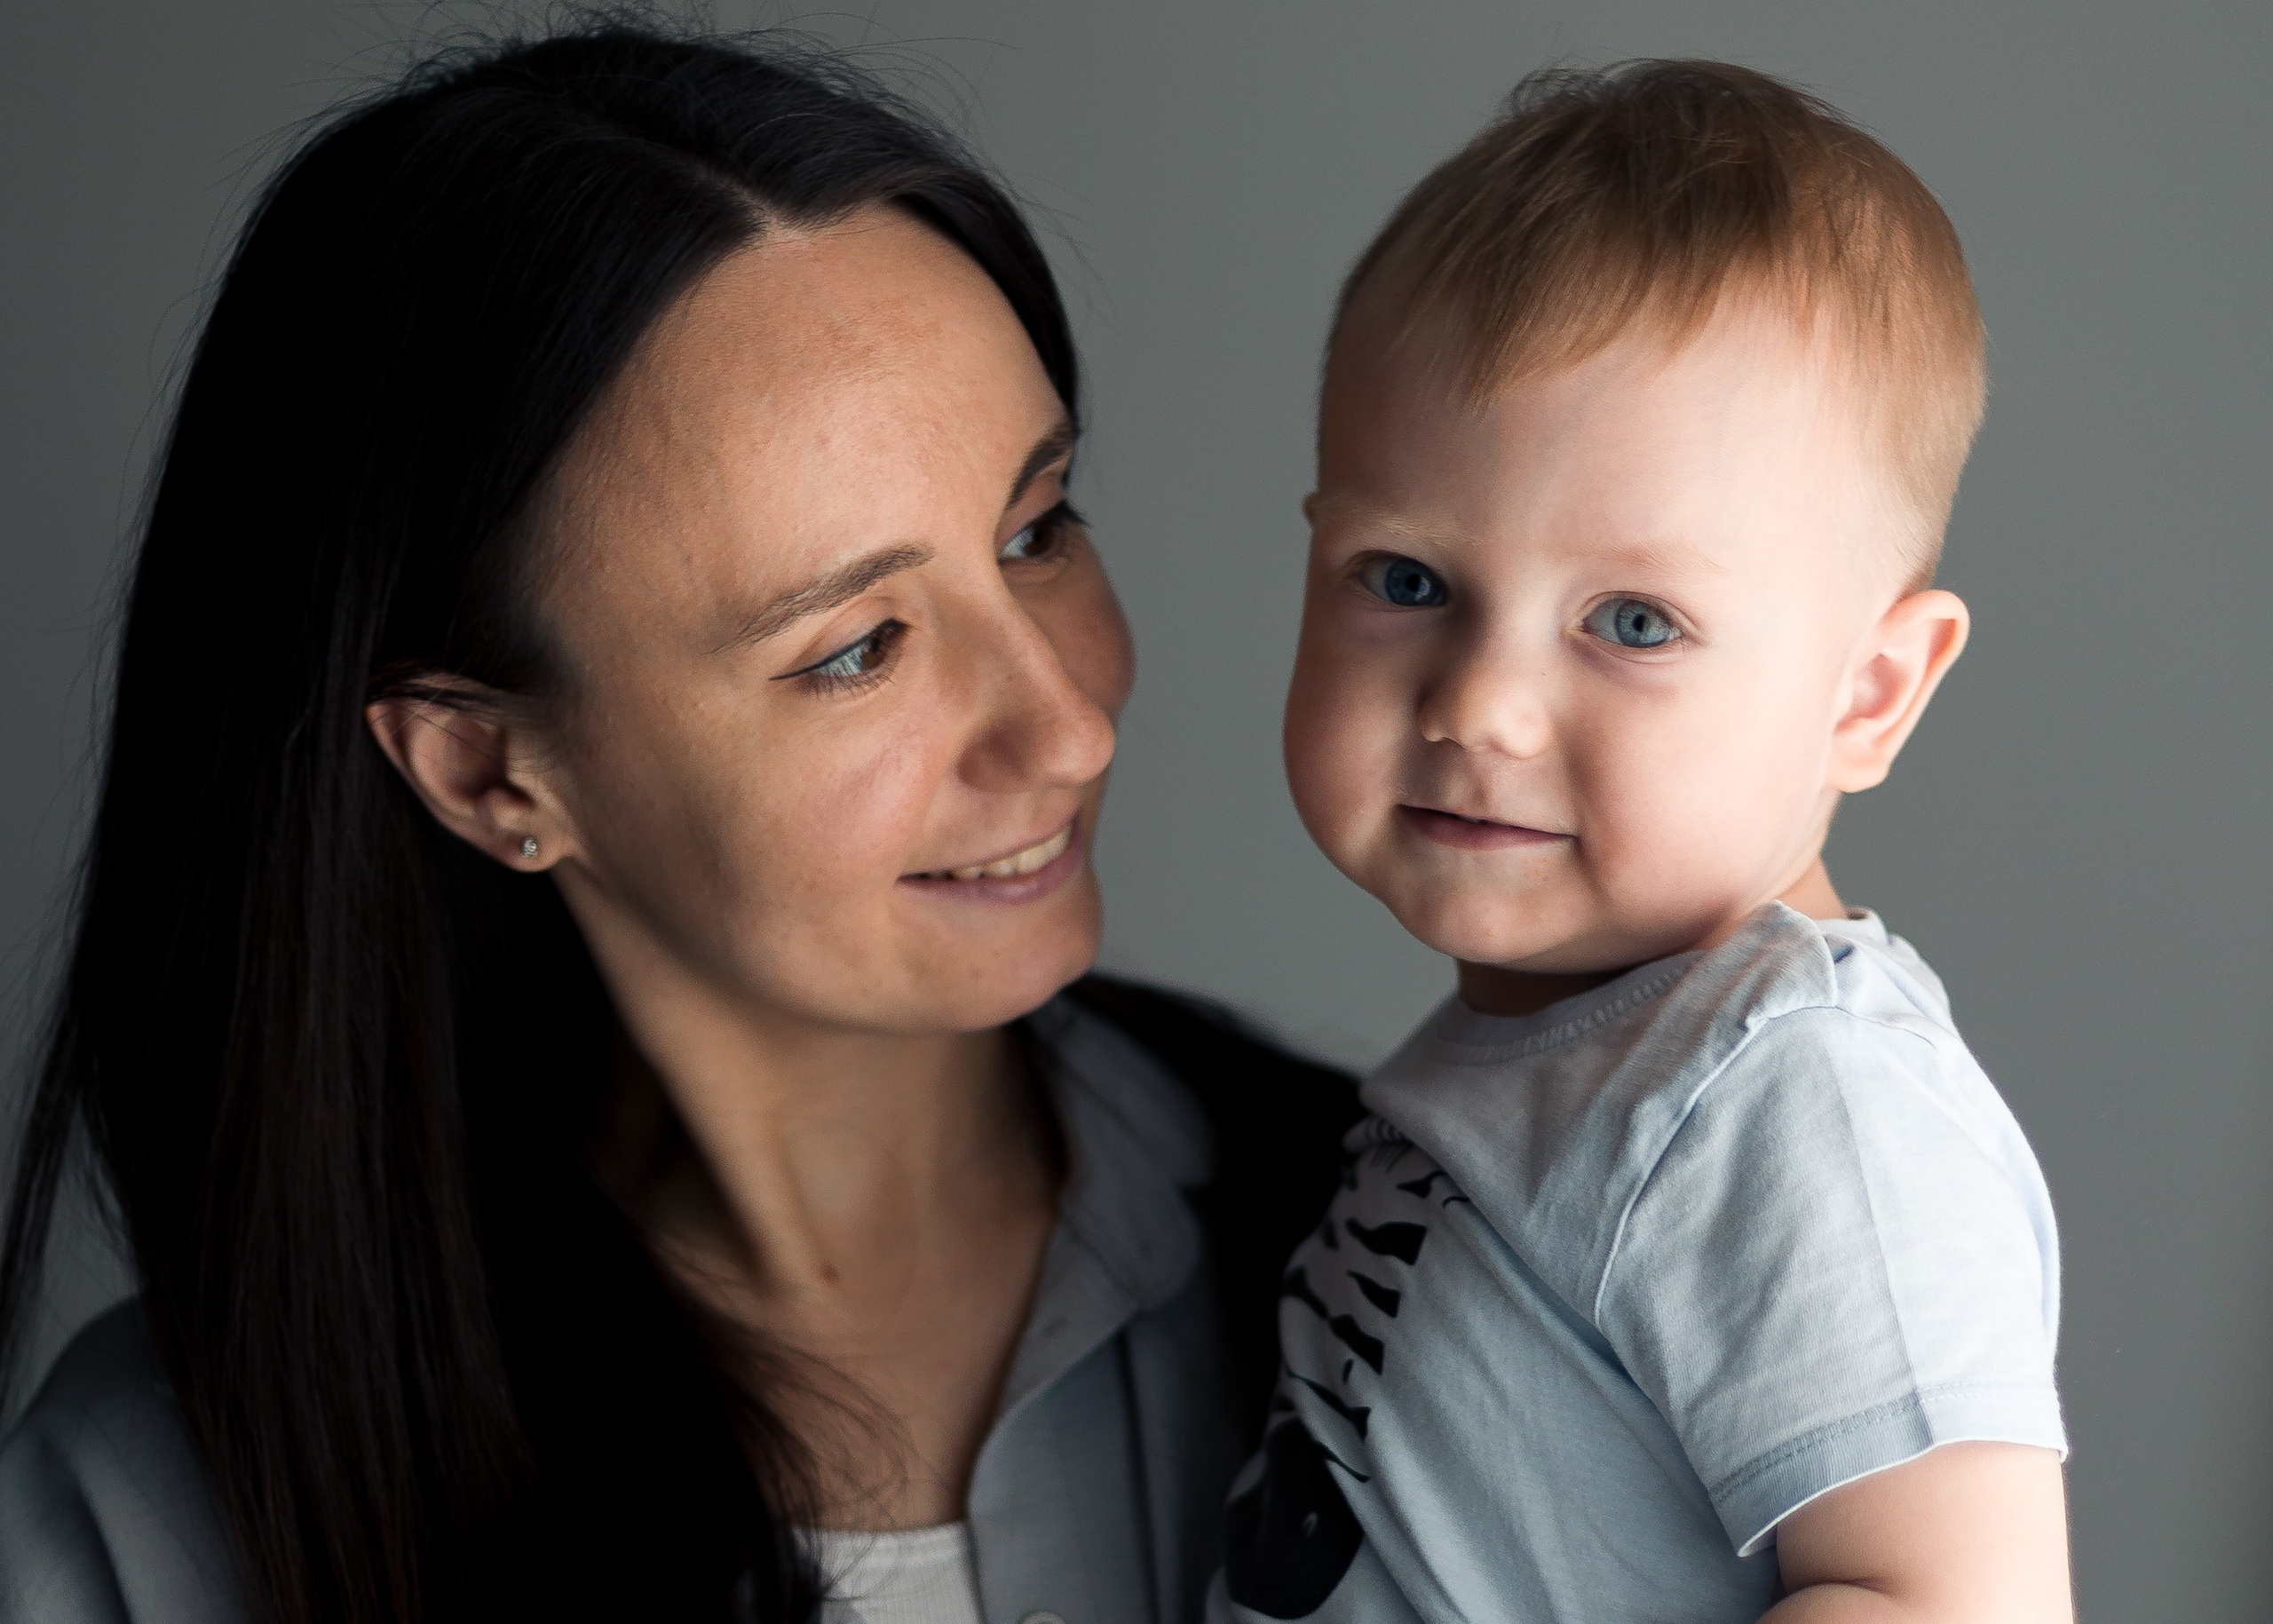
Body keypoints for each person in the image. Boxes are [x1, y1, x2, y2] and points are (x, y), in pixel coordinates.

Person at [0, 21, 1356, 1624]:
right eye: (854, 648)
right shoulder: (151, 1523)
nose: (1066, 718)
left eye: (1037, 527)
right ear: (487, 772)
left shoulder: (1406, 1247)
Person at [1210, 61, 2071, 1623]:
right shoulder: (1560, 1057)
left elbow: (1951, 1602)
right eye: (1405, 578)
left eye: (1632, 621)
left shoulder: (1797, 1097)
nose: (1482, 702)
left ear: (1866, 696)